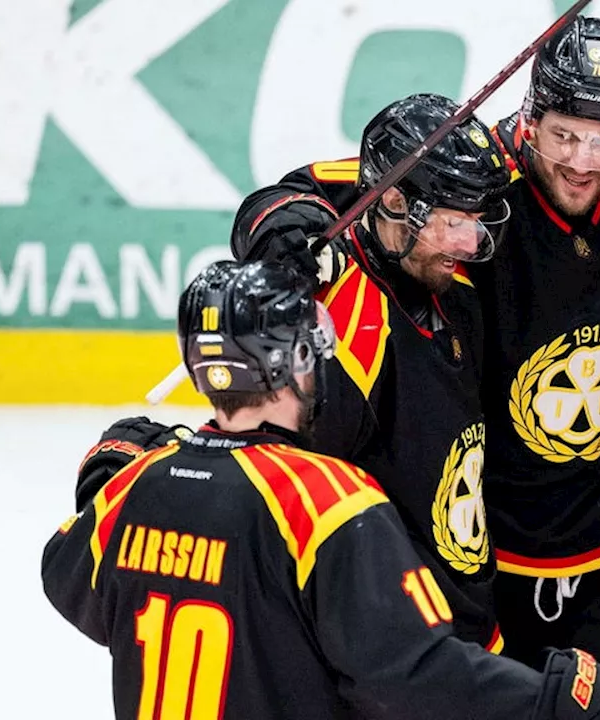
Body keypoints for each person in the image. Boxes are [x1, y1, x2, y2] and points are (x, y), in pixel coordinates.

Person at [42, 260, 600, 720]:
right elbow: (415, 676)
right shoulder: (324, 499)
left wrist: (107, 475)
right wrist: (555, 698)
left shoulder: (134, 490)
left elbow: (66, 578)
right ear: (292, 366)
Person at [227, 94, 511, 651]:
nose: (469, 242)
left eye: (476, 222)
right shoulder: (349, 321)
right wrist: (282, 229)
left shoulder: (454, 284)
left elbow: (322, 182)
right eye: (453, 222)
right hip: (396, 651)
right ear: (396, 203)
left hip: (466, 626)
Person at [471, 16, 600, 689]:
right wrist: (292, 216)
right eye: (564, 136)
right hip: (480, 558)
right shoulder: (480, 175)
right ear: (529, 119)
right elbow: (344, 187)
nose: (582, 162)